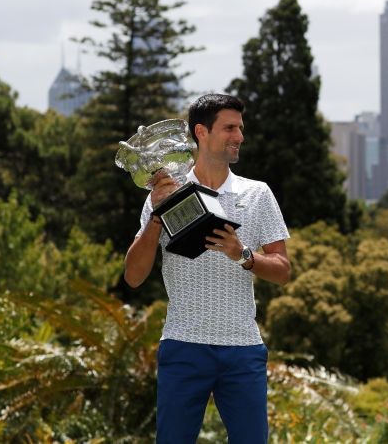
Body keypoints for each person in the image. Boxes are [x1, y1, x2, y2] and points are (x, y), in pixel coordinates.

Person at [125, 93, 291, 443]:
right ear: (202, 132)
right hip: (183, 346)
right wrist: (156, 216)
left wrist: (243, 254)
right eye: (230, 128)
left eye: (240, 128)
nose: (239, 136)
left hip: (243, 349)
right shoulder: (165, 192)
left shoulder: (258, 194)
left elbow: (282, 270)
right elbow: (133, 276)